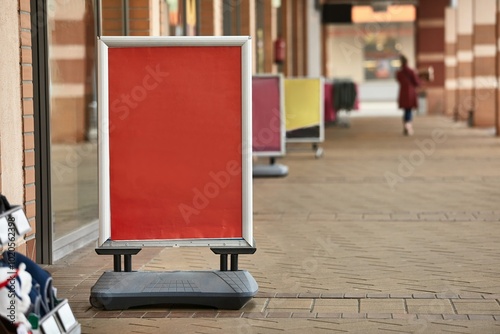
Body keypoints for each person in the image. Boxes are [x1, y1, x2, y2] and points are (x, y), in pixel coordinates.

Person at [396, 54, 420, 136]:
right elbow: (416, 82)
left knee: (405, 110)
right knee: (409, 110)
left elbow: (399, 80)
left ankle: (406, 126)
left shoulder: (399, 73)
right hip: (410, 93)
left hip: (403, 92)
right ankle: (408, 126)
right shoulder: (411, 71)